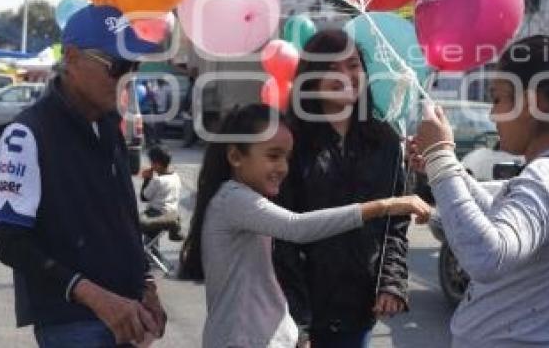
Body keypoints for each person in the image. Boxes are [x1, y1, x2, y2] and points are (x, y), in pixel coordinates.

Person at [411, 35, 549, 347]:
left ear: (535, 103)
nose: (492, 115)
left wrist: (440, 158)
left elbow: (486, 255)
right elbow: (500, 212)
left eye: (498, 100)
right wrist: (444, 165)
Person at [178, 104, 430, 348]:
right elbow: (297, 227)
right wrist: (383, 206)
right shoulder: (233, 200)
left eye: (287, 157)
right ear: (235, 156)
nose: (283, 168)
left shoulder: (249, 200)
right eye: (273, 156)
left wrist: (293, 332)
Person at [0, 5, 166, 347]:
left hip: (126, 314)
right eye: (117, 67)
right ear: (71, 58)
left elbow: (122, 217)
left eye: (134, 67)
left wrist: (146, 284)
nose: (127, 78)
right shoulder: (26, 134)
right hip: (71, 323)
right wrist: (97, 298)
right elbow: (12, 243)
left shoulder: (108, 124)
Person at [273, 30, 412, 348]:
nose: (344, 76)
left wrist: (390, 281)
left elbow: (395, 222)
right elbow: (280, 236)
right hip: (298, 313)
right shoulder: (290, 140)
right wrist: (298, 319)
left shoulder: (385, 141)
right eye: (331, 68)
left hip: (358, 310)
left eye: (352, 65)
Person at [139, 146, 184, 243]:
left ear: (158, 164)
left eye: (152, 163)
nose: (151, 165)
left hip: (157, 214)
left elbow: (144, 197)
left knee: (136, 222)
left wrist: (146, 179)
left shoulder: (158, 180)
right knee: (151, 243)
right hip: (172, 213)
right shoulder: (176, 176)